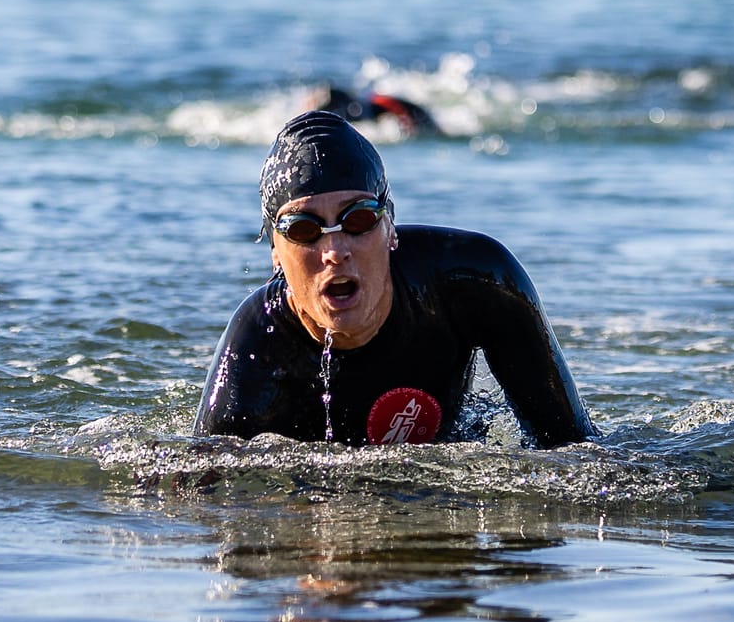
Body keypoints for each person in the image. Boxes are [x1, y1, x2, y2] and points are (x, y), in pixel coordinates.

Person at [193, 111, 595, 447]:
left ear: (390, 229)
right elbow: (205, 500)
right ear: (276, 254)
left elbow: (574, 451)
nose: (335, 251)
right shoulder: (254, 354)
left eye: (359, 220)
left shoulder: (475, 281)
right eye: (303, 229)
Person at [310, 83, 441, 138]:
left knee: (433, 131)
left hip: (413, 112)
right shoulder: (352, 109)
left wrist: (405, 119)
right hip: (400, 110)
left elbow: (388, 102)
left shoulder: (363, 105)